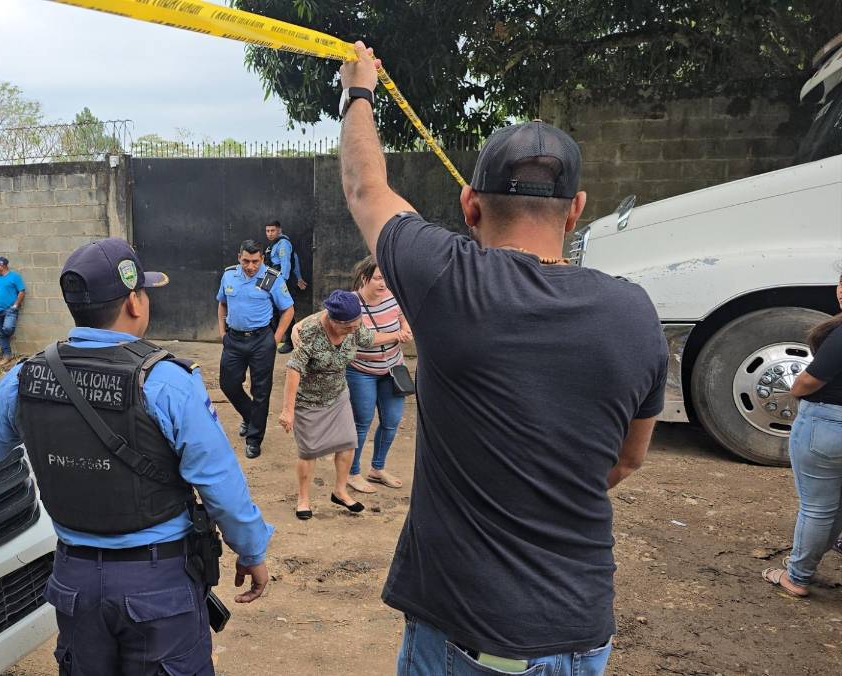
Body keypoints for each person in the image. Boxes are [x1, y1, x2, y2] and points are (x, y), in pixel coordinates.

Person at [338, 42, 666, 675]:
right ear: (576, 209)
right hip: (579, 633)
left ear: (470, 205)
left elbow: (364, 186)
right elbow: (628, 458)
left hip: (475, 643)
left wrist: (359, 91)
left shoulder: (447, 281)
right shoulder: (635, 313)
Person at [0, 237, 272, 675]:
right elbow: (220, 485)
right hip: (159, 585)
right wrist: (250, 551)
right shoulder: (167, 382)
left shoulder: (23, 378)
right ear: (134, 302)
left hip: (74, 583)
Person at [279, 290, 402, 520]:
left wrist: (396, 335)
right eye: (348, 327)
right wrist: (288, 409)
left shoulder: (355, 326)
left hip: (338, 395)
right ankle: (303, 498)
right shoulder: (311, 331)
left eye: (356, 325)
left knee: (347, 443)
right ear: (333, 321)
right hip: (309, 400)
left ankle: (340, 491)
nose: (353, 331)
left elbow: (370, 339)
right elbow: (293, 369)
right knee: (309, 452)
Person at [762, 273, 842, 597]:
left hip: (826, 425)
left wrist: (795, 389)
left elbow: (808, 382)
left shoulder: (839, 335)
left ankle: (797, 576)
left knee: (817, 508)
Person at [217, 240, 295, 459]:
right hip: (234, 339)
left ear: (262, 259)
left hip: (261, 340)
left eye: (255, 261)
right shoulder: (229, 276)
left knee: (261, 390)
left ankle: (254, 438)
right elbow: (222, 303)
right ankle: (250, 415)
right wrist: (223, 333)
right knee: (228, 384)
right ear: (238, 257)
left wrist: (276, 338)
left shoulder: (271, 278)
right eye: (246, 261)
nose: (250, 266)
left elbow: (288, 309)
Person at [346, 256, 413, 494]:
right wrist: (397, 336)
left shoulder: (392, 296)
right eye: (377, 278)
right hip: (361, 371)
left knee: (392, 421)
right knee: (361, 422)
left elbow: (402, 315)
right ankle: (352, 472)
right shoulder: (352, 303)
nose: (383, 283)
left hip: (393, 369)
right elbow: (364, 339)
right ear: (364, 277)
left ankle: (377, 468)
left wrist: (404, 328)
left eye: (386, 277)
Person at [264, 220, 308, 354]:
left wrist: (282, 283)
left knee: (285, 311)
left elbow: (286, 264)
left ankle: (290, 342)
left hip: (281, 280)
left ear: (279, 230)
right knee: (272, 311)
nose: (270, 233)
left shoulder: (283, 243)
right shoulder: (274, 244)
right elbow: (296, 259)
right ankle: (274, 339)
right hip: (272, 277)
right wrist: (299, 277)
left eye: (272, 230)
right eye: (267, 231)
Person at [0, 255, 25, 366]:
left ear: (1, 265)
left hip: (10, 310)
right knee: (0, 334)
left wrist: (15, 305)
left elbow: (22, 291)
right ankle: (7, 355)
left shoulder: (14, 277)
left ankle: (5, 347)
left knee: (7, 328)